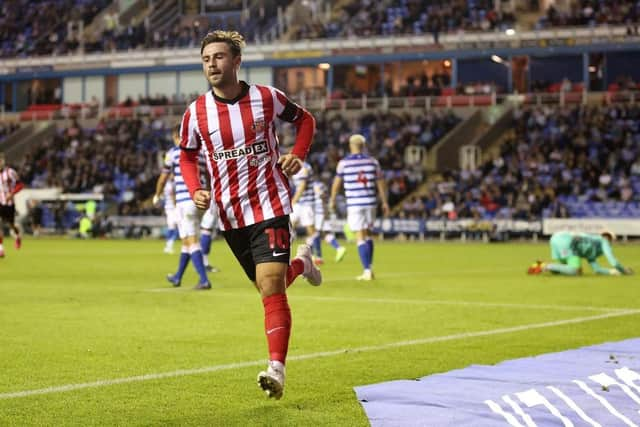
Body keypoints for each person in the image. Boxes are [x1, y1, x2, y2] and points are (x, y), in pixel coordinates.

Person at [178, 30, 322, 400]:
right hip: (229, 213)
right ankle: (303, 264)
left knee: (271, 286)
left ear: (237, 61)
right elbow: (187, 154)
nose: (212, 64)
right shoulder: (196, 112)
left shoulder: (266, 97)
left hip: (270, 204)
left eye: (219, 57)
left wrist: (299, 153)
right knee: (267, 286)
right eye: (207, 58)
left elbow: (305, 120)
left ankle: (277, 369)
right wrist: (195, 187)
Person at [153, 125, 211, 290]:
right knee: (186, 240)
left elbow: (163, 178)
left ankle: (204, 279)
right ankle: (178, 276)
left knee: (192, 241)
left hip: (185, 201)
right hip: (201, 201)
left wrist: (157, 195)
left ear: (175, 136)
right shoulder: (201, 152)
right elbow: (208, 174)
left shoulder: (173, 153)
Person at [329, 134, 389, 281]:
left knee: (360, 236)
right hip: (370, 203)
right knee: (368, 234)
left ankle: (367, 270)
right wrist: (385, 201)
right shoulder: (372, 162)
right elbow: (381, 183)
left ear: (350, 146)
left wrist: (332, 199)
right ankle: (369, 268)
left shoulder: (344, 163)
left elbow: (337, 183)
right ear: (364, 146)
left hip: (355, 203)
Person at [528, 230, 634, 276]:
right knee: (575, 270)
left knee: (562, 269)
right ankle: (545, 266)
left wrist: (614, 272)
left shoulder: (592, 248)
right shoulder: (603, 241)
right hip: (566, 241)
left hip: (556, 238)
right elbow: (614, 262)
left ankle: (540, 265)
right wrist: (624, 271)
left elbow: (597, 270)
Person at [311, 179, 346, 264]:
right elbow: (325, 196)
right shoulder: (321, 184)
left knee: (314, 233)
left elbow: (322, 196)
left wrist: (324, 210)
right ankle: (339, 248)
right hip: (322, 211)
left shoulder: (314, 184)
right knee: (325, 233)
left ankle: (318, 257)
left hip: (318, 212)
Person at [0, 151, 24, 258]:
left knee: (12, 225)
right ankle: (1, 249)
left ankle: (18, 236)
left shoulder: (10, 172)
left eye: (1, 160)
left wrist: (12, 193)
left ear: (3, 161)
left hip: (9, 203)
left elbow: (20, 185)